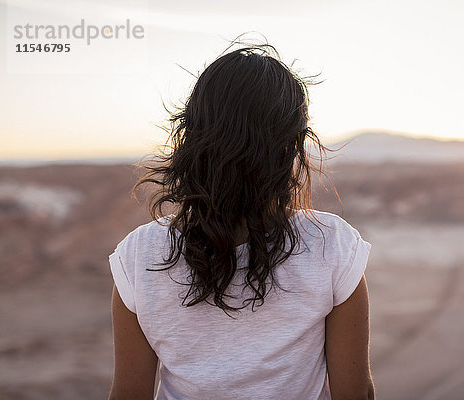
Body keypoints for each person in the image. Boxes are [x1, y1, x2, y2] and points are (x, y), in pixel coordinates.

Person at [108, 43, 375, 400]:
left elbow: (128, 394)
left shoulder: (138, 255)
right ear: (291, 145)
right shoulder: (332, 246)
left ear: (191, 136)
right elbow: (355, 393)